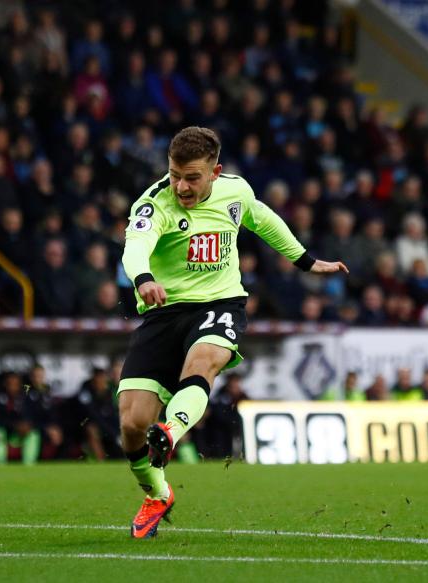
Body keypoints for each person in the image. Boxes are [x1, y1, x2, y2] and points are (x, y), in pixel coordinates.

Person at [118, 127, 347, 539]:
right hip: (163, 312)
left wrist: (306, 261)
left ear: (215, 172)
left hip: (220, 304)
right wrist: (144, 278)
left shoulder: (235, 192)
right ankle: (158, 493)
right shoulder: (154, 204)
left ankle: (170, 432)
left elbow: (263, 219)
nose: (181, 186)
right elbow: (134, 247)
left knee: (203, 361)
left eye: (191, 177)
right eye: (174, 175)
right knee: (132, 423)